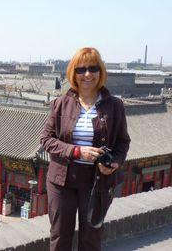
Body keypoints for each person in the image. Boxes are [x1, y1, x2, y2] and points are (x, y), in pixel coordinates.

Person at [40, 47, 130, 251]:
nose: (87, 74)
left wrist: (115, 162)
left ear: (101, 72)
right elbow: (46, 139)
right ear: (73, 73)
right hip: (61, 180)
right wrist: (77, 151)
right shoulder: (60, 104)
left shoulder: (115, 105)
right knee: (60, 236)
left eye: (93, 68)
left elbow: (123, 142)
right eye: (81, 69)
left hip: (96, 180)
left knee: (91, 239)